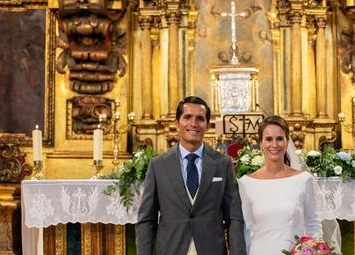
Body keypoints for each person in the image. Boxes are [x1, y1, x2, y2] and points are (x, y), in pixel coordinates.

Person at [136, 96, 246, 255]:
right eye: (187, 117)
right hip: (170, 249)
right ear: (176, 123)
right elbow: (147, 220)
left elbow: (234, 218)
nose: (193, 124)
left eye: (200, 119)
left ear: (208, 125)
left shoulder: (223, 163)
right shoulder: (158, 165)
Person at [238, 115, 323, 254]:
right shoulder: (246, 183)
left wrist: (313, 251)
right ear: (260, 143)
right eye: (268, 139)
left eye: (279, 139)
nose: (274, 145)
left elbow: (313, 225)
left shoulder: (303, 180)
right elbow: (246, 231)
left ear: (287, 142)